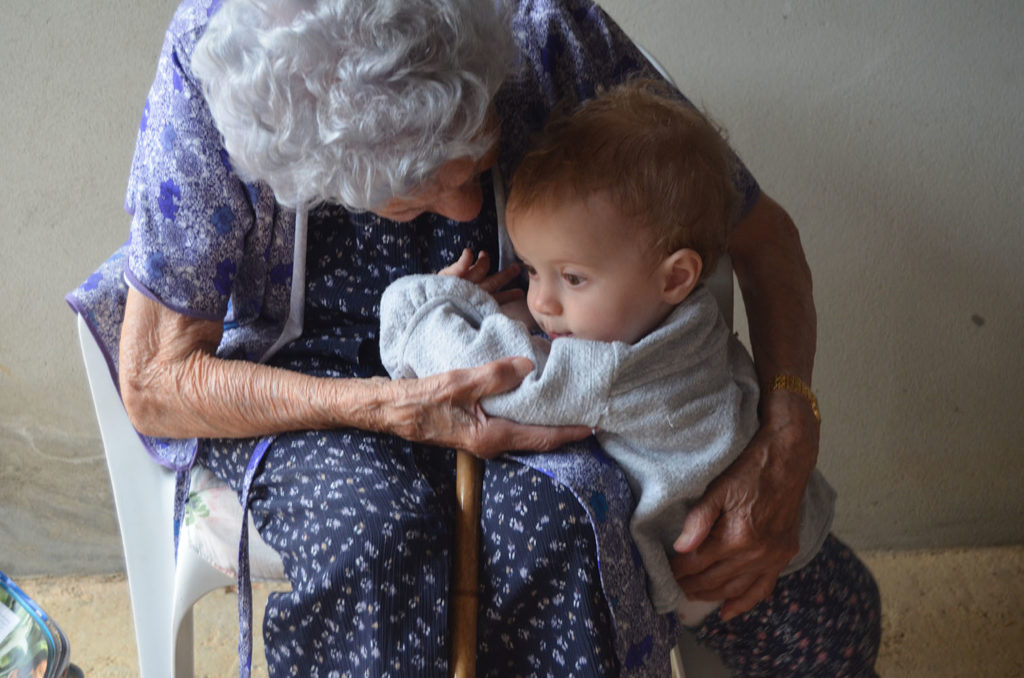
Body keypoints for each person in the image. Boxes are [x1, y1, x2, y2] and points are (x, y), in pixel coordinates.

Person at [66, 0, 880, 675]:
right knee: (369, 539)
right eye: (415, 190)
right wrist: (382, 406)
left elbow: (759, 235)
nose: (464, 210)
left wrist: (790, 424)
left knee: (563, 527)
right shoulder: (223, 73)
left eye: (476, 152)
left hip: (522, 356)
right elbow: (157, 379)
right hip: (301, 389)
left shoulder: (542, 26)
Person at [378, 80, 836, 629]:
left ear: (676, 276)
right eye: (530, 271)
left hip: (734, 584)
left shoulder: (612, 375)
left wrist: (423, 301)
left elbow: (493, 378)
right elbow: (561, 333)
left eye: (572, 277)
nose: (541, 301)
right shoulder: (687, 324)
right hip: (804, 534)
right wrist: (539, 309)